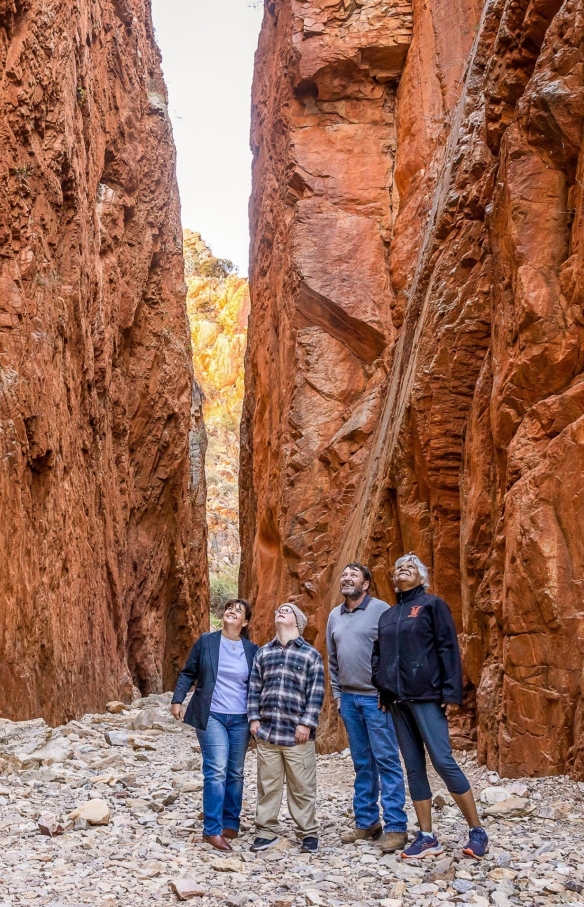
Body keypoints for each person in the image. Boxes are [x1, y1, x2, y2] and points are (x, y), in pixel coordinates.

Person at [372, 553, 489, 860]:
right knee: (413, 766)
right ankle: (426, 836)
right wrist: (382, 690)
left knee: (442, 760)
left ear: (421, 578)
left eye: (409, 568)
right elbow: (378, 654)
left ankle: (477, 831)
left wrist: (451, 695)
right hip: (397, 701)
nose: (402, 571)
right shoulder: (387, 615)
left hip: (426, 697)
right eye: (398, 568)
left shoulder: (432, 605)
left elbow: (448, 648)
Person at [326, 562, 408, 853]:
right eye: (344, 574)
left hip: (377, 699)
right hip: (348, 700)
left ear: (366, 584)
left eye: (353, 575)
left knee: (386, 760)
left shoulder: (381, 610)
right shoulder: (335, 616)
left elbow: (394, 654)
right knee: (362, 764)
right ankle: (367, 822)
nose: (346, 578)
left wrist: (388, 694)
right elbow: (333, 659)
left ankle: (396, 827)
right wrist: (337, 695)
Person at [170, 599, 258, 852]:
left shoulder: (252, 650)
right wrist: (178, 699)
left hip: (240, 717)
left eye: (238, 610)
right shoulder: (206, 641)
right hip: (212, 715)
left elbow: (258, 685)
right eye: (229, 608)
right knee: (217, 769)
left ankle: (231, 822)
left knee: (235, 771)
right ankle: (212, 829)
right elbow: (189, 672)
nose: (231, 611)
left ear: (245, 622)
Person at [247, 602, 325, 854]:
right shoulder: (263, 653)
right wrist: (254, 719)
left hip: (297, 736)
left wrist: (306, 723)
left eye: (287, 610)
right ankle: (266, 831)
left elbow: (316, 693)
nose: (279, 611)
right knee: (267, 786)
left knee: (302, 787)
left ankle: (308, 833)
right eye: (277, 609)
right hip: (267, 734)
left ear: (298, 622)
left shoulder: (310, 655)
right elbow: (254, 688)